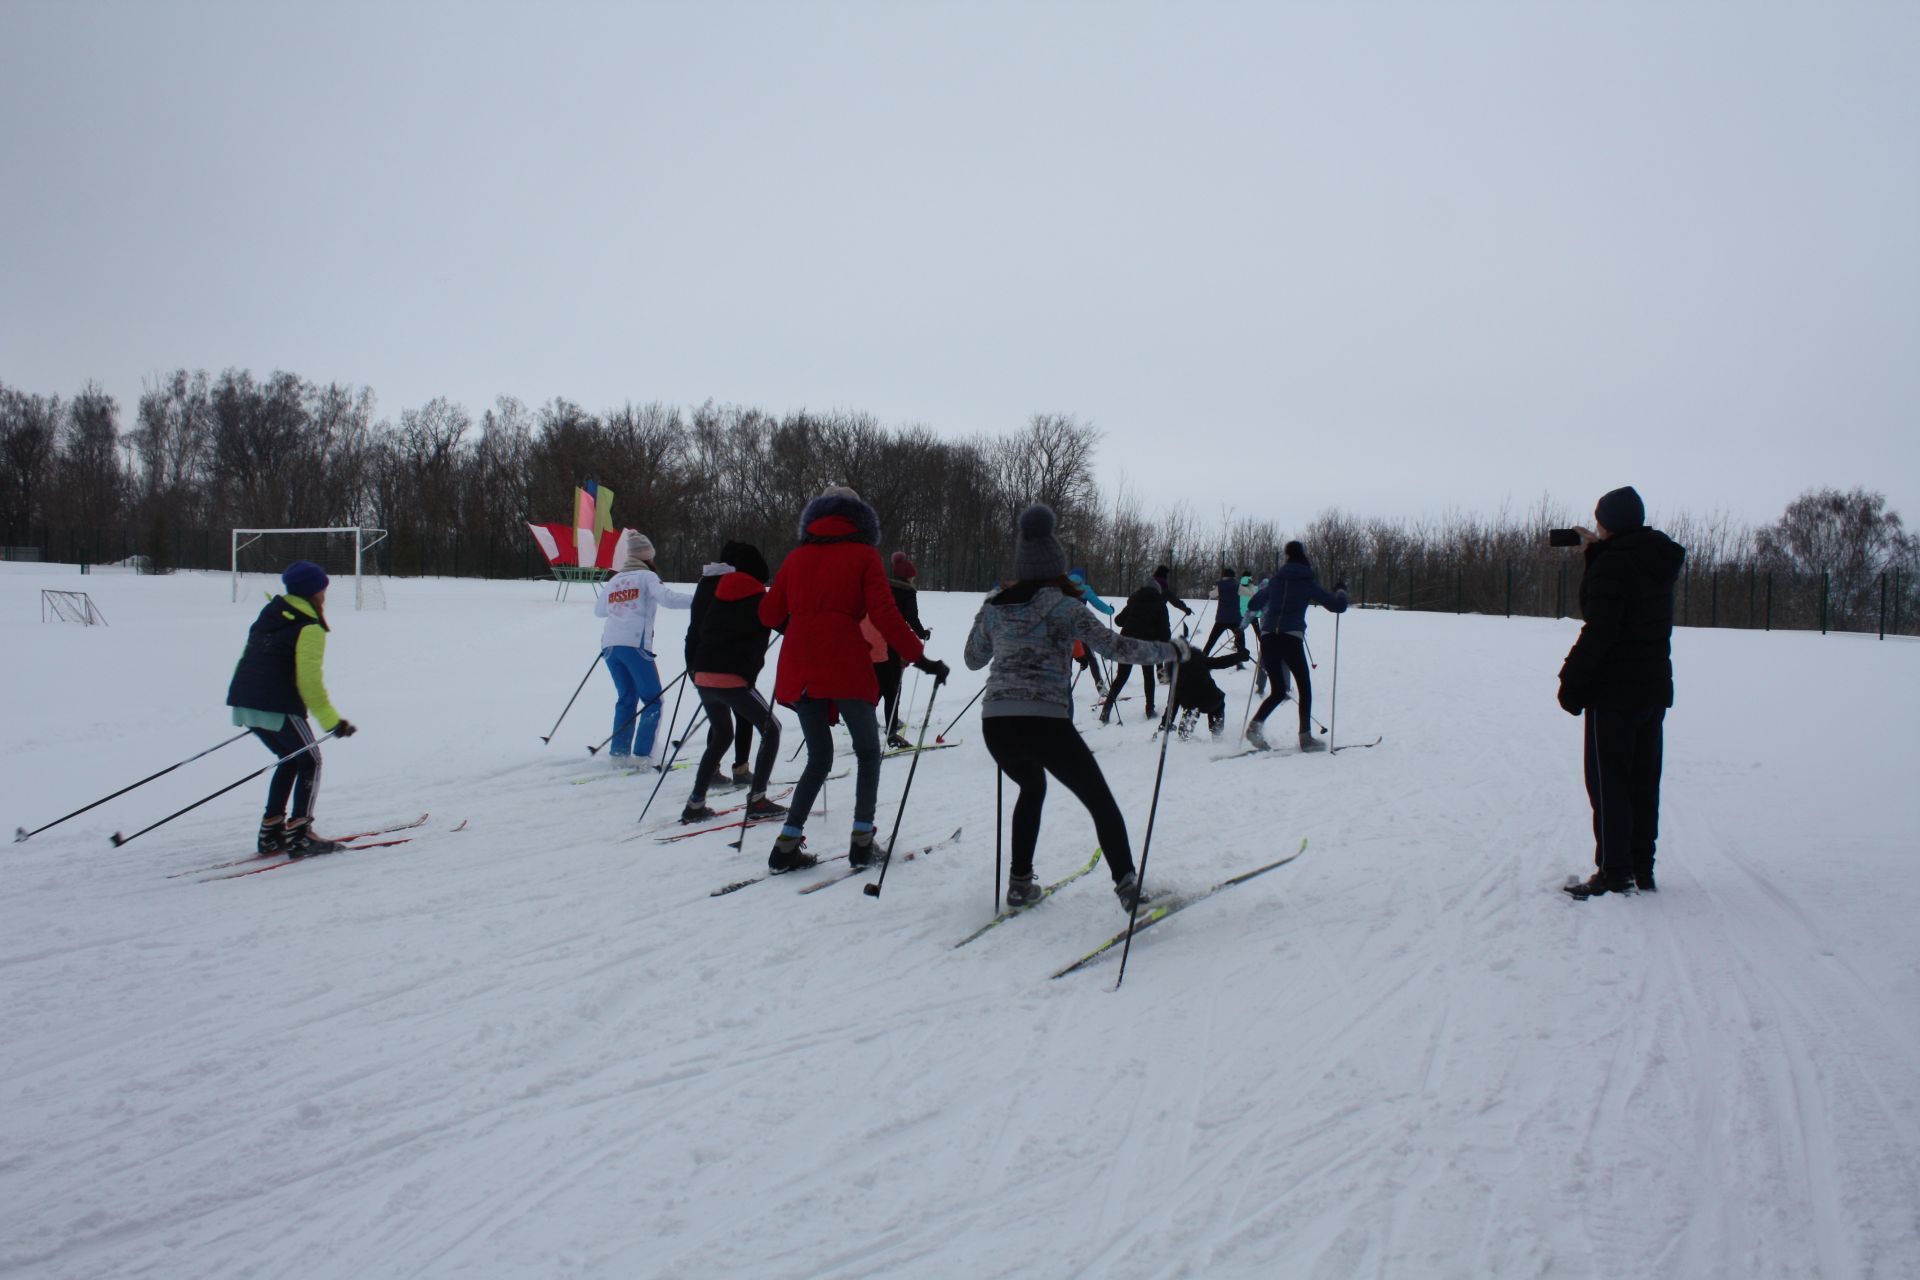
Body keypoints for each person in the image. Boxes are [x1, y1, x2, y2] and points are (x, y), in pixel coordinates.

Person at [965, 505, 1187, 910]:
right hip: (1044, 722)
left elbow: (972, 658)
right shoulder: (1066, 607)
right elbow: (1117, 647)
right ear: (1056, 566)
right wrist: (1171, 650)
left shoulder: (996, 605)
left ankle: (1019, 884)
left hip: (996, 723)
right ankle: (1128, 888)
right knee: (1099, 801)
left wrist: (993, 622)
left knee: (1031, 786)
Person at [758, 486, 949, 873]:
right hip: (844, 664)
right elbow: (884, 614)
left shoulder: (796, 558)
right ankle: (862, 841)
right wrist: (921, 658)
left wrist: (803, 622)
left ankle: (786, 844)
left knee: (819, 757)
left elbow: (767, 613)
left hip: (799, 668)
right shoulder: (863, 555)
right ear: (859, 518)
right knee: (866, 752)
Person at [1558, 486, 1685, 899]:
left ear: (1608, 523)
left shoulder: (1612, 563)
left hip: (1614, 690)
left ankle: (1615, 872)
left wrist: (1571, 681)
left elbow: (1600, 626)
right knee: (1643, 780)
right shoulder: (1655, 557)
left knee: (1609, 782)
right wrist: (1601, 553)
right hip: (1652, 687)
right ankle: (1640, 868)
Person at [225, 560, 356, 857]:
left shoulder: (272, 614)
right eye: (323, 588)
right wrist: (331, 721)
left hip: (245, 700)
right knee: (310, 761)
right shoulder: (308, 626)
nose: (325, 594)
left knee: (290, 758)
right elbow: (309, 681)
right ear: (313, 591)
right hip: (277, 704)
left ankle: (272, 832)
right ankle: (301, 834)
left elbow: (251, 657)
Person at [679, 541, 786, 826]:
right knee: (772, 728)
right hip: (734, 679)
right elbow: (788, 625)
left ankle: (695, 803)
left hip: (702, 676)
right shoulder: (760, 600)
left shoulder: (717, 594)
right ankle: (758, 800)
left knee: (722, 733)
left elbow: (700, 631)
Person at [596, 533, 693, 762]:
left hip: (610, 646)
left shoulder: (615, 579)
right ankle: (643, 756)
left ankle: (619, 754)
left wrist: (620, 604)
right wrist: (701, 599)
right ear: (647, 557)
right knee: (653, 700)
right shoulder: (647, 576)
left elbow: (599, 611)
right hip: (635, 644)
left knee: (626, 698)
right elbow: (667, 598)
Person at [1246, 542, 1348, 752]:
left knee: (1278, 690)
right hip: (1290, 638)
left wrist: (1266, 591)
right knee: (1304, 688)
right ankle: (1305, 738)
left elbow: (1253, 605)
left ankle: (1254, 728)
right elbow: (1337, 606)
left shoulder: (1275, 580)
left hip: (1268, 638)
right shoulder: (1306, 581)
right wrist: (1341, 591)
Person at [686, 551, 756, 786]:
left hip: (701, 662)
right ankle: (741, 769)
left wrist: (693, 665)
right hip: (729, 664)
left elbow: (695, 627)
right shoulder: (731, 586)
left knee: (720, 722)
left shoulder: (703, 584)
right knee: (744, 715)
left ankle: (713, 771)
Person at [1099, 564, 1192, 723]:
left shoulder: (1134, 600)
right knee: (1148, 675)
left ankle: (1106, 711)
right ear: (1157, 590)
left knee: (1121, 677)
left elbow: (1118, 621)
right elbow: (1165, 632)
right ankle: (1149, 709)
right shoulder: (1160, 604)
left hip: (1126, 643)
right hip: (1146, 646)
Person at [878, 550, 931, 748]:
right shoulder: (907, 591)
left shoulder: (884, 587)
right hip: (894, 641)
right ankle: (892, 730)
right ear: (908, 576)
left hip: (877, 640)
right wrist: (921, 633)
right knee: (893, 686)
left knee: (879, 682)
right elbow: (911, 616)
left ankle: (866, 717)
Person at [1173, 650, 1245, 739]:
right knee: (1218, 705)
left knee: (1190, 707)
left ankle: (1184, 734)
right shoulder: (1198, 659)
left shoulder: (1174, 673)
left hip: (1191, 703)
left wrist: (1165, 723)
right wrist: (1240, 656)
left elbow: (1173, 702)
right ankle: (1217, 734)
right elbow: (1220, 662)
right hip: (1210, 699)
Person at [1066, 568, 1115, 694]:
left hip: (1065, 629)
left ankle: (1064, 689)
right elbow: (1098, 604)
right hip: (1082, 630)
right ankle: (1100, 687)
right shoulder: (1085, 588)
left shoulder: (1063, 588)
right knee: (1091, 658)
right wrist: (1110, 610)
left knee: (1067, 659)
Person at [1201, 567, 1250, 660]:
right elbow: (1248, 593)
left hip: (1221, 618)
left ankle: (1203, 656)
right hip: (1235, 618)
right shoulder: (1237, 585)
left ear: (1224, 576)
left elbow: (1212, 595)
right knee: (1240, 639)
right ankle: (1240, 658)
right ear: (1233, 576)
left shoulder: (1220, 585)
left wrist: (1211, 591)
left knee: (1212, 639)